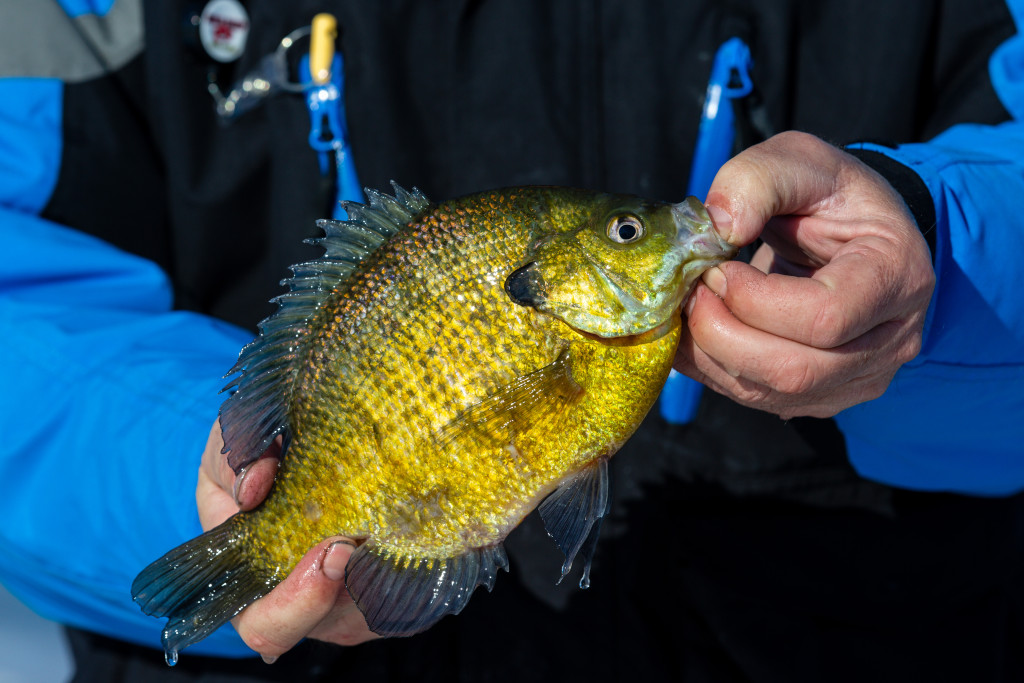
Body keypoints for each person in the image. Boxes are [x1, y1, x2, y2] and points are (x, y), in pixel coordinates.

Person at [1, 1, 1022, 681]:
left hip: (867, 623)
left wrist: (939, 262)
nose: (655, 228)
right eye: (626, 232)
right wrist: (193, 458)